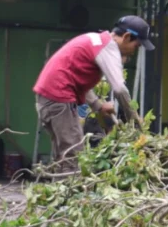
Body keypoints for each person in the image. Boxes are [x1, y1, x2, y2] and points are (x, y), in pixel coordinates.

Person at [33, 15, 153, 171]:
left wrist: (98, 106)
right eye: (136, 46)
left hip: (50, 98)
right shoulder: (108, 48)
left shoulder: (96, 40)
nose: (133, 52)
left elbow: (76, 78)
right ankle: (72, 194)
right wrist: (135, 120)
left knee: (64, 154)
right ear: (127, 37)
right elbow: (119, 89)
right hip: (59, 97)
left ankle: (62, 189)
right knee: (73, 153)